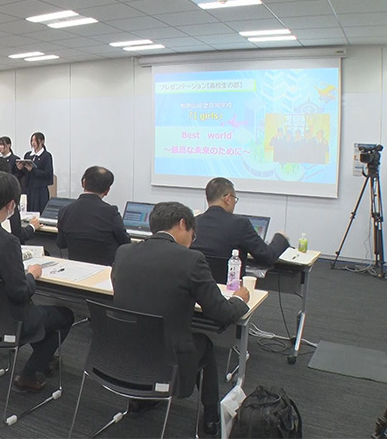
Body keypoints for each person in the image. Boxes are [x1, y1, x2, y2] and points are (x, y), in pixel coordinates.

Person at [111, 201, 250, 434]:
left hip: (121, 358)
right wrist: (239, 299)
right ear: (183, 224)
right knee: (204, 344)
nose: (192, 241)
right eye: (193, 235)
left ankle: (139, 401)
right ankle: (212, 417)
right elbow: (221, 314)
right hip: (167, 363)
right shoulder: (191, 260)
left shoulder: (124, 252)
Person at [0, 171, 74, 392]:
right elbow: (20, 293)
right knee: (65, 316)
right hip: (7, 323)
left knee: (40, 318)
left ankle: (44, 359)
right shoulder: (7, 241)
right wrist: (32, 275)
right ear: (11, 205)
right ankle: (28, 374)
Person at [192, 177, 289, 266]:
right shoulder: (240, 224)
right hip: (230, 280)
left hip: (198, 280)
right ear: (228, 199)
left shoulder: (194, 223)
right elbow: (267, 257)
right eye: (234, 199)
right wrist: (280, 238)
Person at [56, 166, 130, 265]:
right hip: (106, 269)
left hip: (76, 267)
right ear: (107, 191)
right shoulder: (111, 212)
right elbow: (125, 243)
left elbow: (61, 244)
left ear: (83, 183)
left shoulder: (64, 211)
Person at [17, 132, 53, 213]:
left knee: (39, 210)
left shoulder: (46, 156)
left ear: (42, 141)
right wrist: (20, 168)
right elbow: (24, 173)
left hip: (40, 189)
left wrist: (33, 170)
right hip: (28, 188)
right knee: (27, 210)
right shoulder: (28, 155)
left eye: (36, 141)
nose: (33, 143)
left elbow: (48, 173)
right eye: (32, 141)